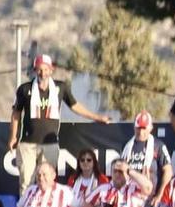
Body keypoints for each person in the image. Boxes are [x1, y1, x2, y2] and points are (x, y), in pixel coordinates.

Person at [9, 54, 109, 191]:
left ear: (51, 70)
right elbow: (16, 114)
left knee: (47, 181)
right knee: (26, 182)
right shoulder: (25, 89)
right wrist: (13, 136)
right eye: (39, 69)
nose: (42, 73)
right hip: (28, 143)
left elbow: (74, 106)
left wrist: (96, 117)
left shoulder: (60, 88)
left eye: (45, 69)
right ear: (35, 70)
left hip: (50, 143)